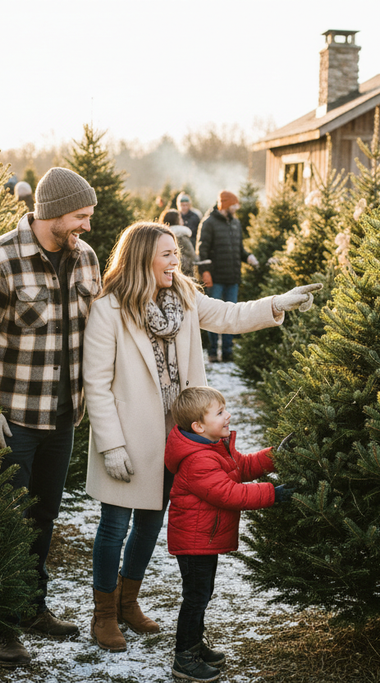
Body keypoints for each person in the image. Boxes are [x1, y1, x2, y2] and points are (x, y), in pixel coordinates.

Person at [82, 221, 321, 653]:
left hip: (178, 439)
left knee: (150, 525)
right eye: (167, 254)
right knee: (115, 526)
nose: (177, 261)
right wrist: (111, 445)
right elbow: (96, 384)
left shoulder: (185, 298)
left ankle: (128, 602)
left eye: (177, 253)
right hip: (128, 437)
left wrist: (277, 303)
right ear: (142, 258)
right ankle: (103, 614)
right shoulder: (109, 309)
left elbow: (230, 316)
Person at [0, 166, 101, 667]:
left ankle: (32, 607)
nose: (87, 225)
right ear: (52, 214)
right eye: (80, 216)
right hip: (13, 419)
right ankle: (1, 627)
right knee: (8, 523)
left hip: (63, 417)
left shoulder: (86, 260)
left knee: (43, 517)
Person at [164, 386, 293, 681]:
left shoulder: (211, 446)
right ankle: (184, 657)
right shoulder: (198, 459)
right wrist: (274, 494)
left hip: (203, 541)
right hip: (194, 542)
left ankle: (194, 647)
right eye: (220, 412)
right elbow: (229, 493)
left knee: (202, 594)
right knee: (196, 597)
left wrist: (275, 456)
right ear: (198, 426)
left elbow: (241, 467)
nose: (228, 416)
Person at [195, 190, 260, 362]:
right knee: (214, 316)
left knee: (233, 315)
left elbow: (238, 249)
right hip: (215, 278)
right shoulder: (208, 223)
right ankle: (212, 352)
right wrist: (205, 273)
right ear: (225, 204)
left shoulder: (235, 223)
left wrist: (248, 257)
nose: (237, 208)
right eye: (234, 204)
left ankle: (228, 352)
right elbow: (202, 250)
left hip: (232, 278)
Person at [161, 209, 198, 279]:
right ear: (177, 220)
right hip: (184, 273)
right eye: (180, 218)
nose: (182, 220)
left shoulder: (162, 237)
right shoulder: (182, 236)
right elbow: (192, 255)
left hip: (167, 272)